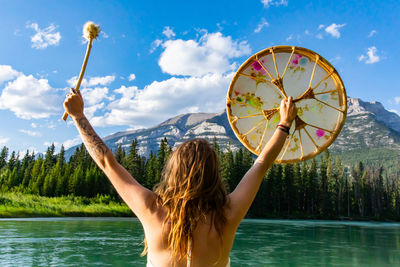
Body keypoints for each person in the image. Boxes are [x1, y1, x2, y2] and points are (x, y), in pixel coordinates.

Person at [63, 89, 297, 267]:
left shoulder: (152, 209)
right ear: (214, 174)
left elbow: (107, 163)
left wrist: (78, 116)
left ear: (173, 171)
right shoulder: (227, 214)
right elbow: (262, 163)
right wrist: (284, 123)